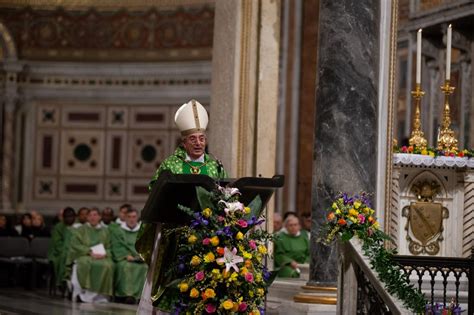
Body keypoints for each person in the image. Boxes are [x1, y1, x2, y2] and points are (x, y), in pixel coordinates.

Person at [136, 99, 226, 313]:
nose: (198, 143)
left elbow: (224, 194)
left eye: (202, 138)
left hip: (205, 233)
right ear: (184, 142)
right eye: (193, 139)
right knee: (172, 272)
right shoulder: (171, 164)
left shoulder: (215, 166)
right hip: (173, 232)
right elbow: (154, 191)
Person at [67, 208, 114, 303]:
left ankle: (101, 296)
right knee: (85, 264)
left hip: (101, 256)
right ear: (87, 217)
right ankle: (85, 294)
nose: (93, 217)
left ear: (100, 217)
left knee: (109, 265)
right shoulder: (80, 230)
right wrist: (89, 251)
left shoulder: (106, 231)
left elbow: (110, 247)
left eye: (95, 215)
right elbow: (75, 245)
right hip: (85, 255)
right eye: (90, 215)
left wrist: (104, 254)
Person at [110, 208, 147, 304]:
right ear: (125, 218)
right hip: (125, 258)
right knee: (126, 266)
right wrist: (125, 255)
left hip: (139, 259)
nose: (131, 219)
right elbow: (116, 245)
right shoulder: (118, 231)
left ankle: (140, 297)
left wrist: (141, 256)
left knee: (145, 268)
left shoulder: (142, 230)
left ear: (137, 218)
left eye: (134, 217)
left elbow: (146, 245)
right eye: (129, 217)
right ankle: (126, 295)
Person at [48, 207, 76, 288]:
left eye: (71, 216)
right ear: (63, 218)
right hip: (59, 252)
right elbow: (57, 243)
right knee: (64, 258)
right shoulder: (58, 227)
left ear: (75, 217)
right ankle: (64, 281)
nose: (69, 219)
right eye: (67, 217)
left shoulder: (79, 226)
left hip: (76, 251)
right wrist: (68, 250)